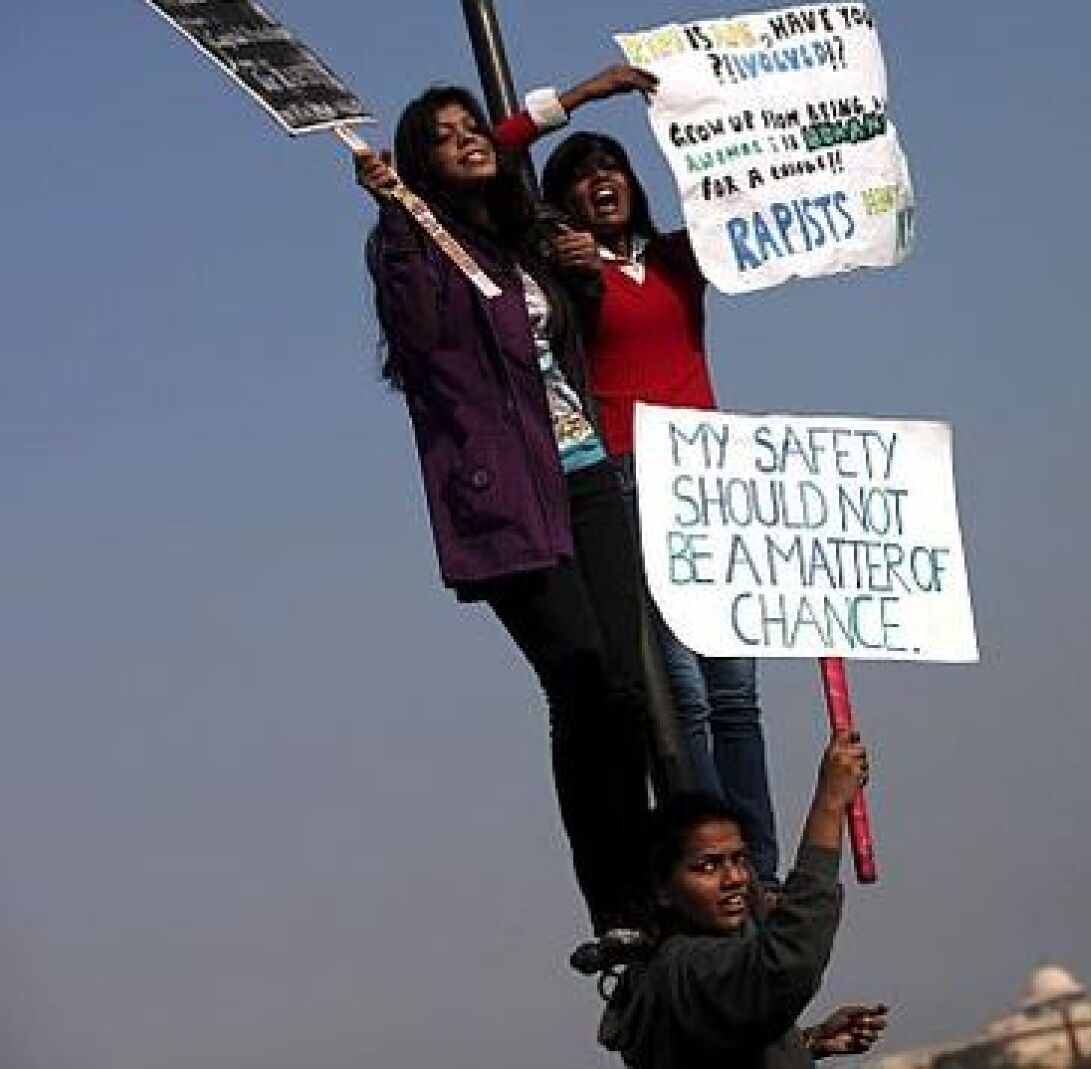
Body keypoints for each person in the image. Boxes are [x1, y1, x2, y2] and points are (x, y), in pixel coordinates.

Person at [354, 86, 657, 941]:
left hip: (587, 474)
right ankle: (619, 902)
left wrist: (583, 277)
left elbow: (565, 344)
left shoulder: (521, 237)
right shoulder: (415, 248)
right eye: (442, 138)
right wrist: (395, 213)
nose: (465, 141)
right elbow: (415, 323)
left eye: (472, 128)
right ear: (422, 164)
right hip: (508, 499)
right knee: (584, 683)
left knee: (628, 687)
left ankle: (653, 877)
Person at [491, 65, 785, 886]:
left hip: (714, 475)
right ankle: (704, 858)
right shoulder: (562, 280)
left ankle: (753, 865)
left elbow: (758, 187)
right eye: (581, 175)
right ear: (563, 202)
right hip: (629, 474)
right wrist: (583, 96)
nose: (601, 182)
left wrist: (715, 102)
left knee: (737, 693)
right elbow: (497, 154)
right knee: (682, 688)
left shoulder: (678, 259)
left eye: (611, 166)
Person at [598, 730, 889, 1068]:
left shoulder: (678, 976)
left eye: (738, 859)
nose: (735, 879)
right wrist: (830, 803)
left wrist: (803, 1045)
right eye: (707, 866)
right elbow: (789, 962)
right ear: (662, 889)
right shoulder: (685, 969)